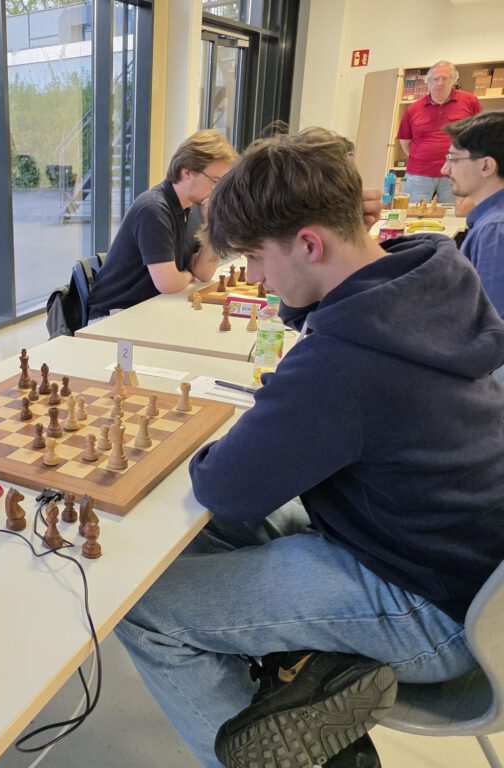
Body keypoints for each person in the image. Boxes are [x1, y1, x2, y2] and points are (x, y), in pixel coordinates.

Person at [114, 128, 504, 768]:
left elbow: (225, 485)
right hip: (464, 570)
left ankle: (260, 752)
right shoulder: (428, 279)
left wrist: (239, 434)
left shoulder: (344, 363)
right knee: (200, 536)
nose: (255, 278)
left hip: (436, 612)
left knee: (142, 606)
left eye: (255, 258)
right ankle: (295, 689)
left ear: (309, 244)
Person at [86, 130, 238, 319]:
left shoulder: (196, 207)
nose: (218, 190)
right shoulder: (153, 209)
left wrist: (212, 224)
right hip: (114, 315)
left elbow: (203, 273)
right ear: (187, 172)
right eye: (216, 181)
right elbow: (168, 284)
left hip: (151, 307)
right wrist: (188, 274)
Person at [442, 110, 504, 315]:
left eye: (453, 159)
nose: (444, 170)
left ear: (486, 166)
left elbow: (492, 320)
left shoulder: (494, 231)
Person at [397, 60, 481, 206]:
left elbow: (478, 134)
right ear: (428, 82)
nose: (439, 83)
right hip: (418, 174)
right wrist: (423, 158)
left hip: (456, 173)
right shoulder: (413, 109)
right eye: (435, 79)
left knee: (452, 215)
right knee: (412, 213)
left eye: (445, 78)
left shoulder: (470, 102)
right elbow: (405, 141)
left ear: (454, 81)